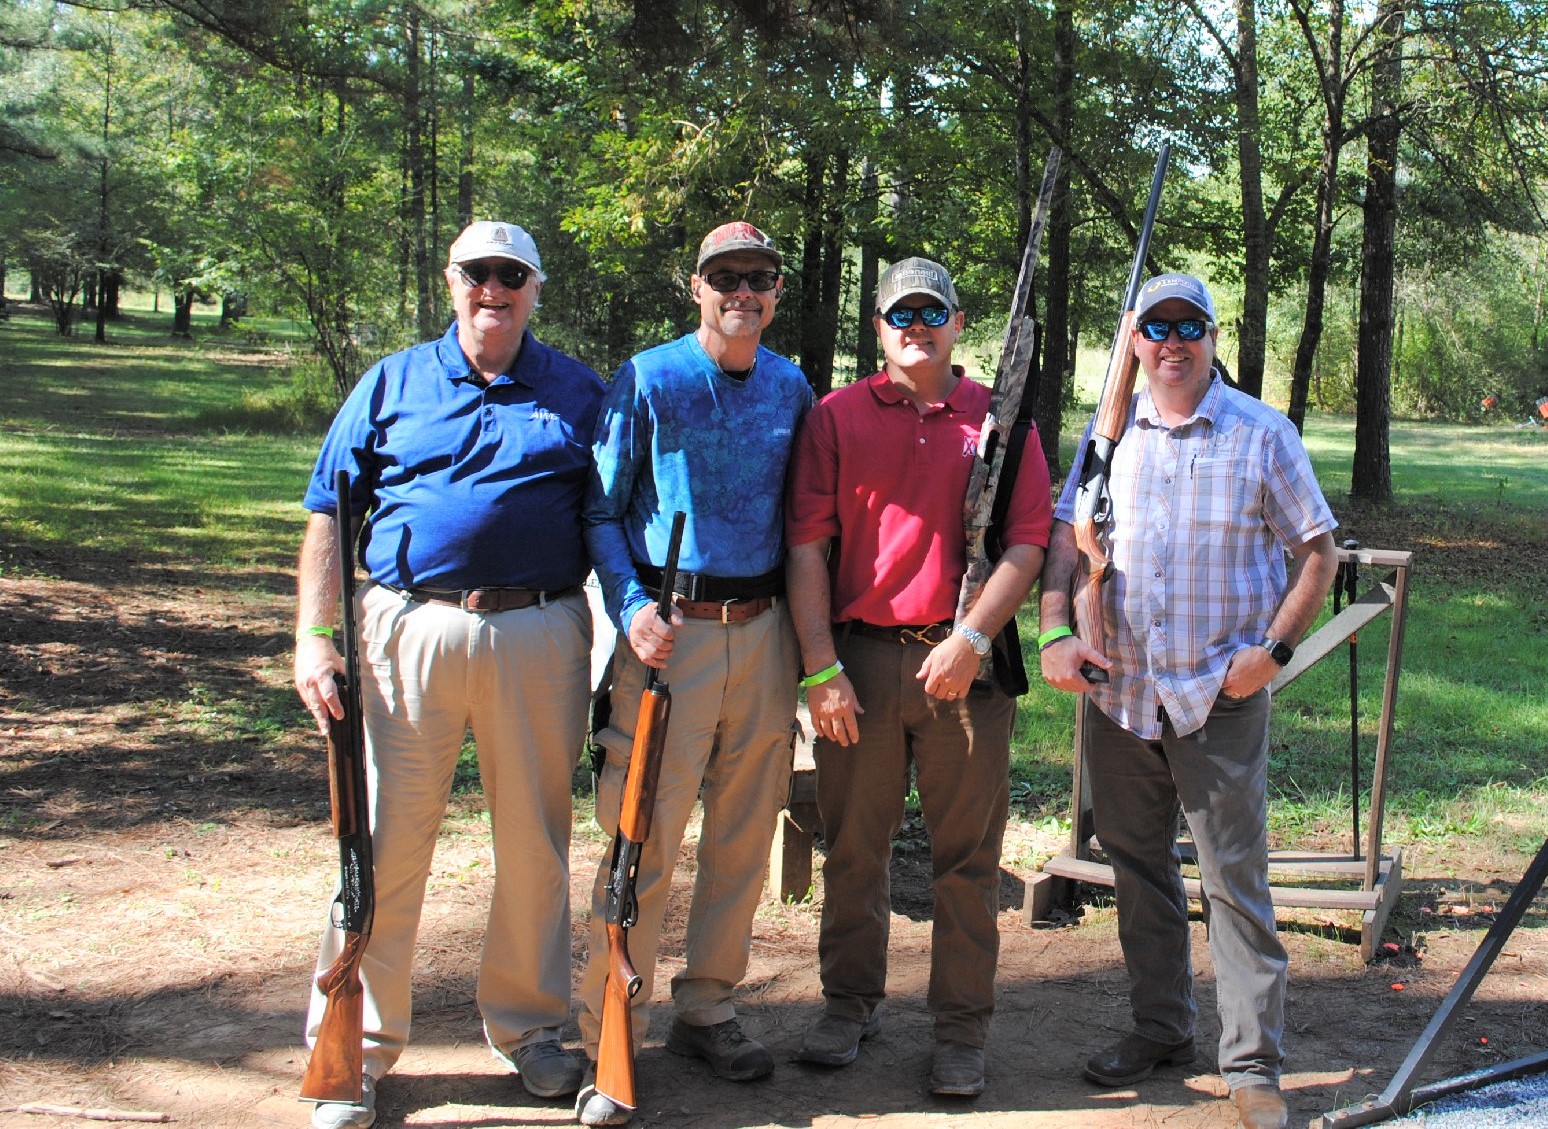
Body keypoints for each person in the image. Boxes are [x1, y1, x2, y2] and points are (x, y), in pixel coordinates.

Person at [293, 221, 605, 1129]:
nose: (493, 290)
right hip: (407, 627)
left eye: (512, 275)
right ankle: (356, 1047)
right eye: (478, 273)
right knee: (383, 838)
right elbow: (326, 514)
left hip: (542, 628)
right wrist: (318, 635)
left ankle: (531, 1028)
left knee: (535, 842)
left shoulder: (578, 391)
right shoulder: (391, 382)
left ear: (535, 288)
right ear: (451, 280)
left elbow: (612, 518)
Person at [1037, 273, 1338, 1129]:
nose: (1171, 344)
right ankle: (1163, 1029)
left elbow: (1317, 551)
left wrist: (1272, 651)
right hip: (1119, 695)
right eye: (1155, 329)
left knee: (1234, 882)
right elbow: (1066, 542)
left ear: (1211, 336)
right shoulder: (1108, 437)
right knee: (1137, 869)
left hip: (1219, 696)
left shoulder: (1259, 432)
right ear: (1135, 341)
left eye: (1188, 327)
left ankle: (1252, 1064)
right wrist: (1057, 629)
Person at [784, 257, 1052, 1098]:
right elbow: (806, 547)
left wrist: (974, 637)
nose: (916, 325)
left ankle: (961, 1029)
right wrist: (820, 668)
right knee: (853, 849)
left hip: (963, 666)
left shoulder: (1000, 420)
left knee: (966, 863)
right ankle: (848, 1003)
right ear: (878, 329)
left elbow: (1029, 541)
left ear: (957, 323)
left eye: (931, 310)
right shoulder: (835, 416)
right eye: (900, 313)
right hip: (858, 662)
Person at [574, 221, 812, 1127]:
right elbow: (601, 504)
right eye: (725, 277)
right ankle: (610, 1010)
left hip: (764, 633)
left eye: (758, 277)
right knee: (642, 829)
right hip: (668, 636)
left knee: (745, 832)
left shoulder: (791, 386)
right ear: (696, 285)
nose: (741, 292)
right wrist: (630, 605)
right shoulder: (648, 376)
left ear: (776, 291)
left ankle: (709, 1003)